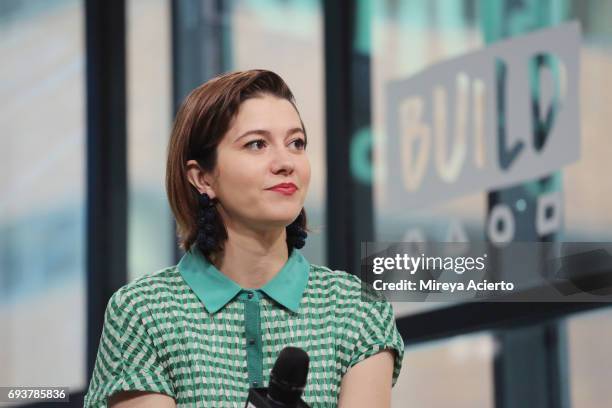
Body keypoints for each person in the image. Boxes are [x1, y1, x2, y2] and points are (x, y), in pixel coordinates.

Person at [84, 69, 404, 407]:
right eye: (257, 144)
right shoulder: (144, 311)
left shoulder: (356, 307)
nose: (285, 162)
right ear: (202, 178)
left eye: (296, 143)